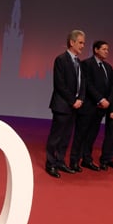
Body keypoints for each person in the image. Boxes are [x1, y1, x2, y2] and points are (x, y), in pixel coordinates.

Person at [45, 29, 86, 178]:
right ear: (72, 42)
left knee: (66, 137)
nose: (83, 46)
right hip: (62, 106)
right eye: (80, 42)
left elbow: (83, 84)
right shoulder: (61, 59)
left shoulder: (79, 62)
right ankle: (50, 164)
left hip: (75, 107)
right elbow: (60, 85)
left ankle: (60, 162)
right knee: (56, 136)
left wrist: (81, 98)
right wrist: (73, 100)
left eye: (83, 43)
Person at [70, 40, 112, 172]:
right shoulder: (87, 64)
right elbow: (87, 84)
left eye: (107, 49)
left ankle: (86, 159)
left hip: (100, 110)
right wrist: (100, 99)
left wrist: (106, 101)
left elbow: (110, 87)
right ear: (96, 50)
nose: (106, 52)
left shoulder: (108, 67)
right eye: (104, 49)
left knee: (92, 136)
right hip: (88, 107)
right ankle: (74, 161)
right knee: (80, 135)